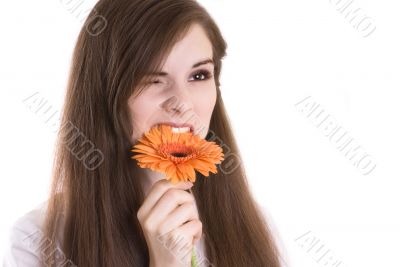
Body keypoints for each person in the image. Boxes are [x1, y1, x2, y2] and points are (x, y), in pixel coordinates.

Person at [3, 0, 288, 266]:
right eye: (152, 79)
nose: (182, 103)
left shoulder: (256, 223)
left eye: (199, 75)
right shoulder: (40, 239)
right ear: (105, 93)